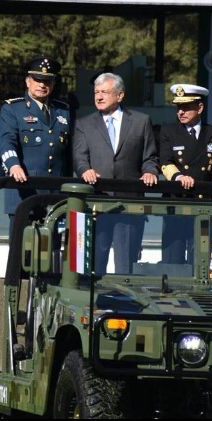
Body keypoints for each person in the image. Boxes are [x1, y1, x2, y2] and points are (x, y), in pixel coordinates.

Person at [73, 72, 158, 274]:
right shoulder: (84, 123)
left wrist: (149, 172)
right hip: (96, 203)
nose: (99, 97)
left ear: (120, 95)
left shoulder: (141, 121)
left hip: (129, 204)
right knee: (94, 262)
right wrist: (85, 170)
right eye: (96, 92)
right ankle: (96, 304)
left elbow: (150, 157)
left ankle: (125, 304)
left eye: (104, 92)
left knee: (126, 263)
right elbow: (79, 157)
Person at [158, 84, 212, 264]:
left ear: (200, 107)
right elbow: (164, 162)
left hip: (203, 205)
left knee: (199, 260)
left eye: (186, 107)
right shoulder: (168, 132)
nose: (181, 112)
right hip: (177, 203)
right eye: (179, 107)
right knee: (173, 261)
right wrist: (179, 177)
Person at [0, 56, 71, 224]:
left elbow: (68, 152)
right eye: (38, 80)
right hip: (25, 189)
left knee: (54, 247)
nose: (43, 85)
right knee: (20, 247)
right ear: (28, 81)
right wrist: (13, 164)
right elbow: (5, 141)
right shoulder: (13, 108)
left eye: (48, 81)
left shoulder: (63, 110)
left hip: (55, 193)